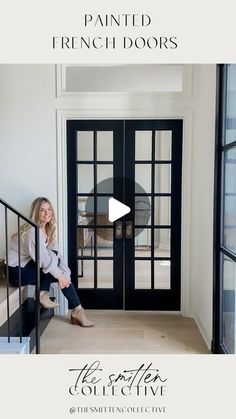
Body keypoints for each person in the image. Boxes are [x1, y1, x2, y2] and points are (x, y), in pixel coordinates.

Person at [6, 197, 94, 327]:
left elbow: (57, 257)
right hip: (15, 272)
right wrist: (60, 276)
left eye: (49, 209)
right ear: (36, 213)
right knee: (51, 262)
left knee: (54, 259)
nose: (47, 213)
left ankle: (77, 309)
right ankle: (45, 295)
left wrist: (65, 276)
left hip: (26, 268)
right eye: (42, 210)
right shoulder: (32, 232)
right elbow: (44, 260)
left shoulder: (46, 230)